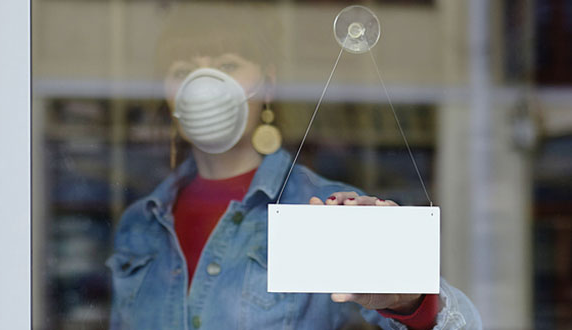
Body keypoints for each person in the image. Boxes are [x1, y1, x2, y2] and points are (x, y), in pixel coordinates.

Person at [107, 3, 481, 329]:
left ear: (268, 84)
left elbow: (461, 325)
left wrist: (408, 298)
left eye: (227, 65)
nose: (205, 86)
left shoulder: (323, 210)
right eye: (184, 70)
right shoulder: (141, 224)